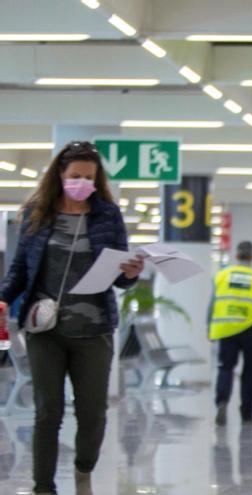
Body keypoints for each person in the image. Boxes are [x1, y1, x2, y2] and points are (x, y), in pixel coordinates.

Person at [0, 141, 145, 495]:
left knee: (93, 414)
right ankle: (43, 487)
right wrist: (3, 298)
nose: (82, 182)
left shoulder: (107, 215)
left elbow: (122, 279)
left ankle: (83, 471)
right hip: (44, 328)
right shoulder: (38, 213)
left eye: (89, 177)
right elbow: (20, 269)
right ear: (60, 175)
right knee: (47, 412)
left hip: (94, 330)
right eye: (75, 175)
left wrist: (131, 271)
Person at [208, 241, 252, 427]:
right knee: (249, 373)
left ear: (237, 255)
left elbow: (212, 303)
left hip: (226, 329)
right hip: (250, 330)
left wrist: (208, 327)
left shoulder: (222, 276)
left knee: (225, 368)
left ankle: (222, 402)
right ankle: (247, 415)